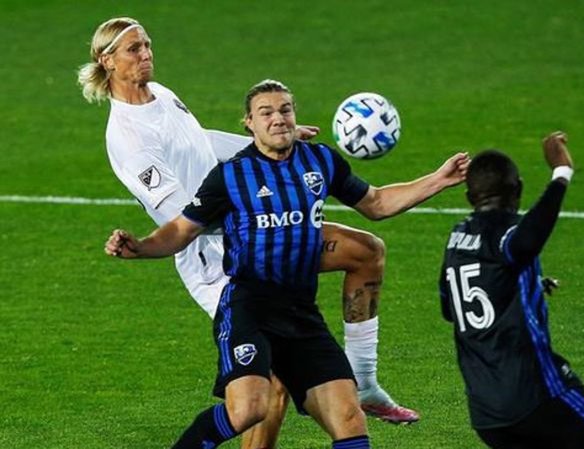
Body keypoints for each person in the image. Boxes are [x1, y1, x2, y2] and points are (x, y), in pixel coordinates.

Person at [77, 17, 417, 448]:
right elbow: (180, 218)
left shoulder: (159, 94)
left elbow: (200, 140)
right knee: (267, 388)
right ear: (107, 60)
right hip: (218, 259)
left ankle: (364, 382)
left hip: (261, 228)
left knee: (365, 251)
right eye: (133, 49)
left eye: (147, 44)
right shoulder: (128, 139)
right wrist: (262, 210)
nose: (146, 54)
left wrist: (269, 141)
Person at [104, 78, 470, 448]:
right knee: (249, 408)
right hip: (250, 308)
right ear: (249, 124)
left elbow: (377, 204)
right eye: (266, 113)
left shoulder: (320, 160)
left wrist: (439, 179)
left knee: (349, 419)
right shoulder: (231, 176)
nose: (278, 118)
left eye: (285, 110)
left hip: (300, 313)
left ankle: (365, 382)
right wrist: (141, 247)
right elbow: (181, 230)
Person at [437, 132, 584, 449]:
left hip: (488, 416)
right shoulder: (507, 233)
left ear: (469, 198)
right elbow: (526, 241)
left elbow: (452, 307)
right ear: (518, 189)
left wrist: (531, 284)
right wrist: (561, 173)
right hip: (536, 396)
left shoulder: (457, 239)